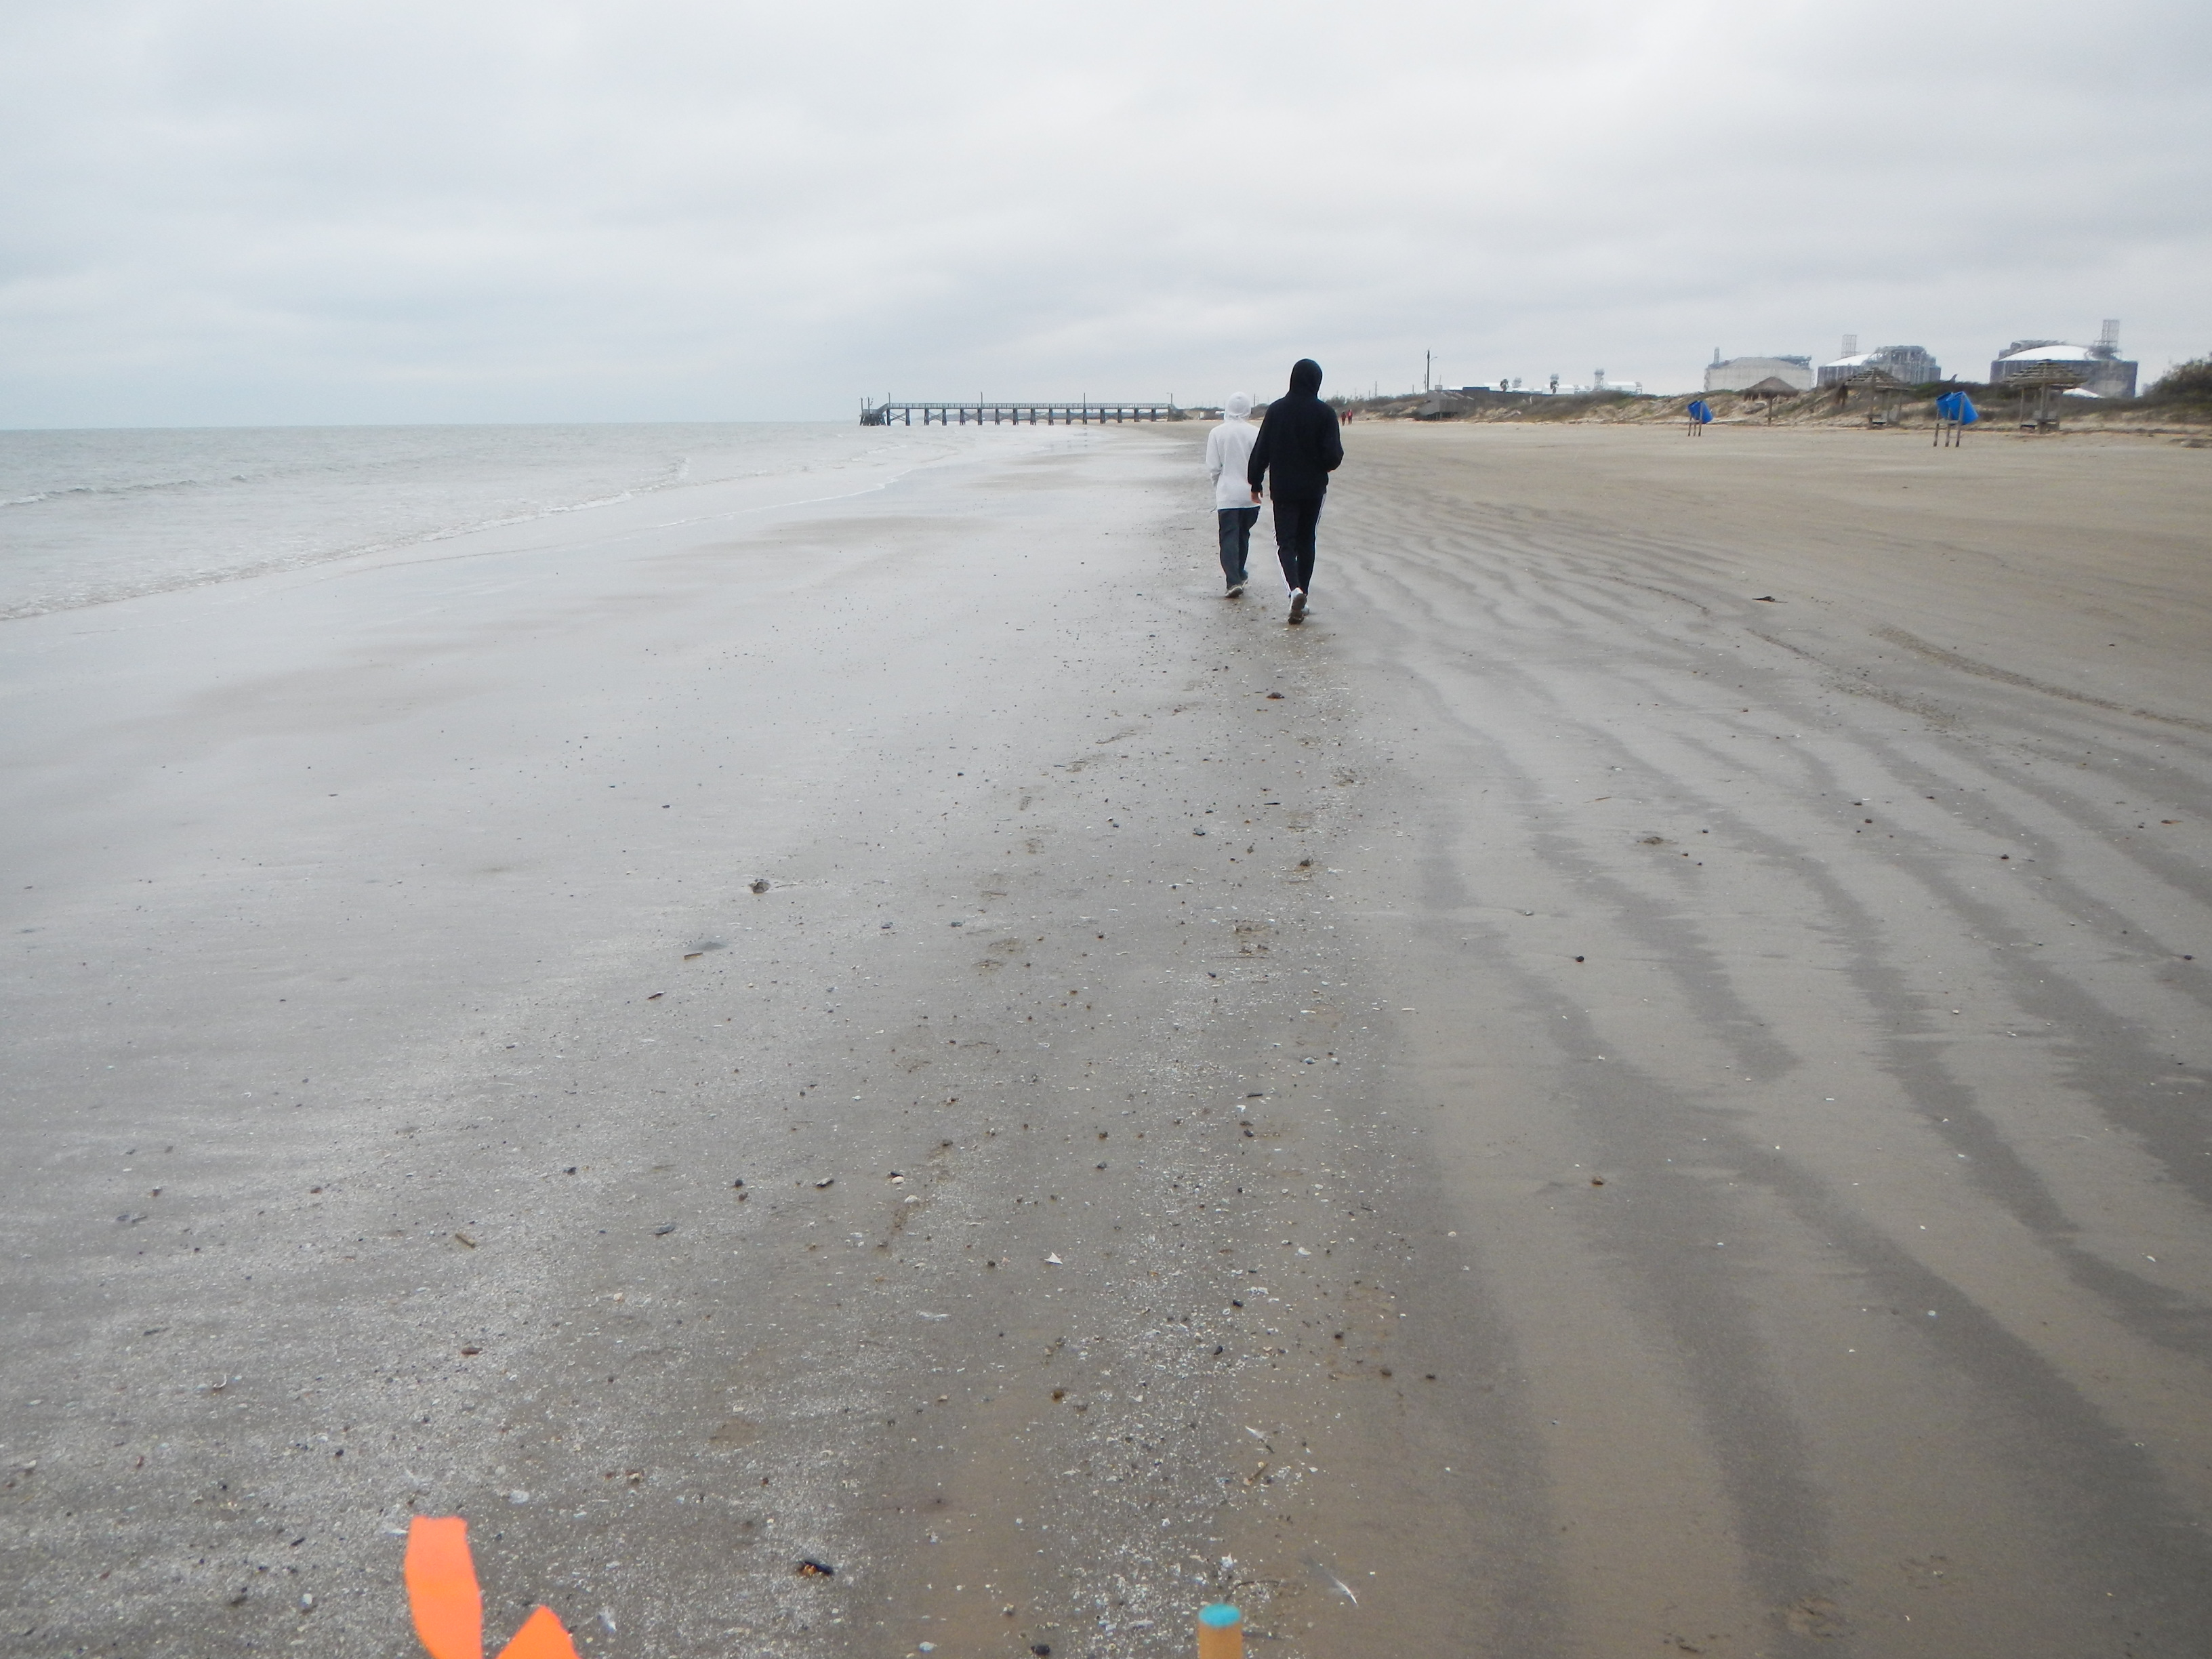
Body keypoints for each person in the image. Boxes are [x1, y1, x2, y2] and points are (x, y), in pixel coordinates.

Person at [1246, 359, 1343, 623]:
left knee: (1285, 542)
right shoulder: (1325, 413)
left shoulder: (1277, 410)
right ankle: (1304, 595)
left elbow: (1261, 450)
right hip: (1313, 488)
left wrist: (1255, 483)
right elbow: (1334, 457)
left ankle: (1294, 590)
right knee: (1307, 539)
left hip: (1284, 488)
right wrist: (1319, 464)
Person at [1204, 392, 1261, 596]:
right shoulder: (1255, 433)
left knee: (1229, 537)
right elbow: (1263, 463)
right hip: (1251, 495)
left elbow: (1213, 467)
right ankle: (1239, 572)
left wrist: (1218, 487)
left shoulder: (1217, 433)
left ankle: (1233, 580)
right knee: (1243, 535)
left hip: (1227, 494)